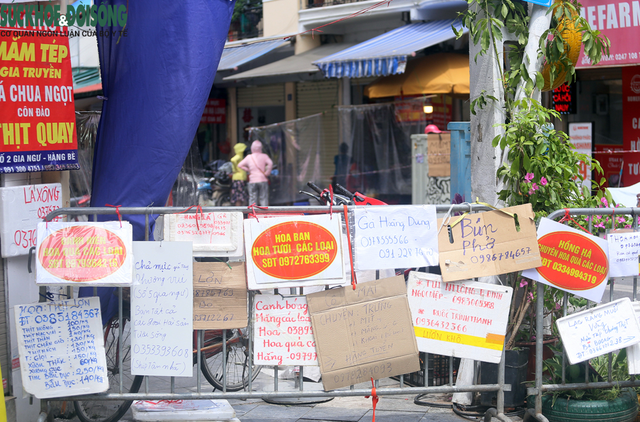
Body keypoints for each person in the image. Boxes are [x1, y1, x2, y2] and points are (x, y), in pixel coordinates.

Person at [238, 140, 273, 206]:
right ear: (260, 148)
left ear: (252, 148)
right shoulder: (264, 156)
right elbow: (270, 163)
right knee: (263, 198)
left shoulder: (249, 157)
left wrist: (248, 170)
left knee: (252, 198)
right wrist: (267, 173)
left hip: (252, 180)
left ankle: (253, 212)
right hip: (262, 179)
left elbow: (240, 165)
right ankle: (264, 213)